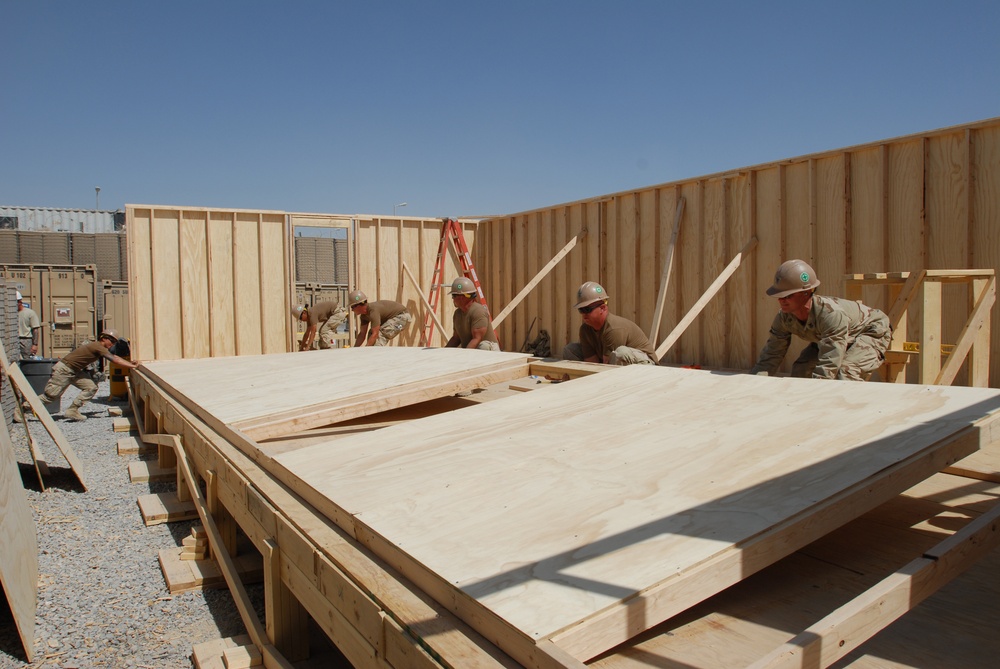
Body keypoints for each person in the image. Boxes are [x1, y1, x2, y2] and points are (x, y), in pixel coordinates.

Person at [750, 259, 891, 381]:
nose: (782, 300)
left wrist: (818, 393)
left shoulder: (830, 315)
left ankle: (845, 410)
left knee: (847, 371)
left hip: (870, 331)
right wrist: (753, 382)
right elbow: (772, 353)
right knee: (802, 368)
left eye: (788, 296)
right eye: (779, 296)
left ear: (806, 293)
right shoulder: (784, 318)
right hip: (837, 337)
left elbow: (829, 362)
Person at [38, 329, 140, 421]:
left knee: (91, 387)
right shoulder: (98, 346)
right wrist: (133, 366)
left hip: (74, 370)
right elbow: (115, 360)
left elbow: (115, 356)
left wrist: (131, 363)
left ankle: (72, 410)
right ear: (104, 338)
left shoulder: (100, 347)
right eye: (112, 341)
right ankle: (25, 407)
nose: (113, 344)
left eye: (114, 342)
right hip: (65, 370)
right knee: (50, 397)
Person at [562, 281, 658, 365]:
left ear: (603, 308)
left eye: (587, 309)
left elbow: (607, 366)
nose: (583, 314)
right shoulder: (585, 330)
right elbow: (592, 363)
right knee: (570, 350)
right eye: (581, 310)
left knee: (620, 353)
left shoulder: (613, 328)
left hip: (647, 367)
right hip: (614, 364)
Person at [444, 277, 500, 351]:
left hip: (489, 353)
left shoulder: (478, 311)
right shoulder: (457, 314)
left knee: (484, 345)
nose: (452, 299)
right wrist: (443, 352)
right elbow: (456, 338)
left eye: (454, 296)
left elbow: (477, 339)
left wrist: (465, 356)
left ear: (462, 297)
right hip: (472, 351)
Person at [16, 291, 41, 360]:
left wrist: (35, 344)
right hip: (15, 340)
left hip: (26, 340)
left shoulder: (29, 313)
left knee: (27, 359)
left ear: (20, 302)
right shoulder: (12, 313)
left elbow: (35, 330)